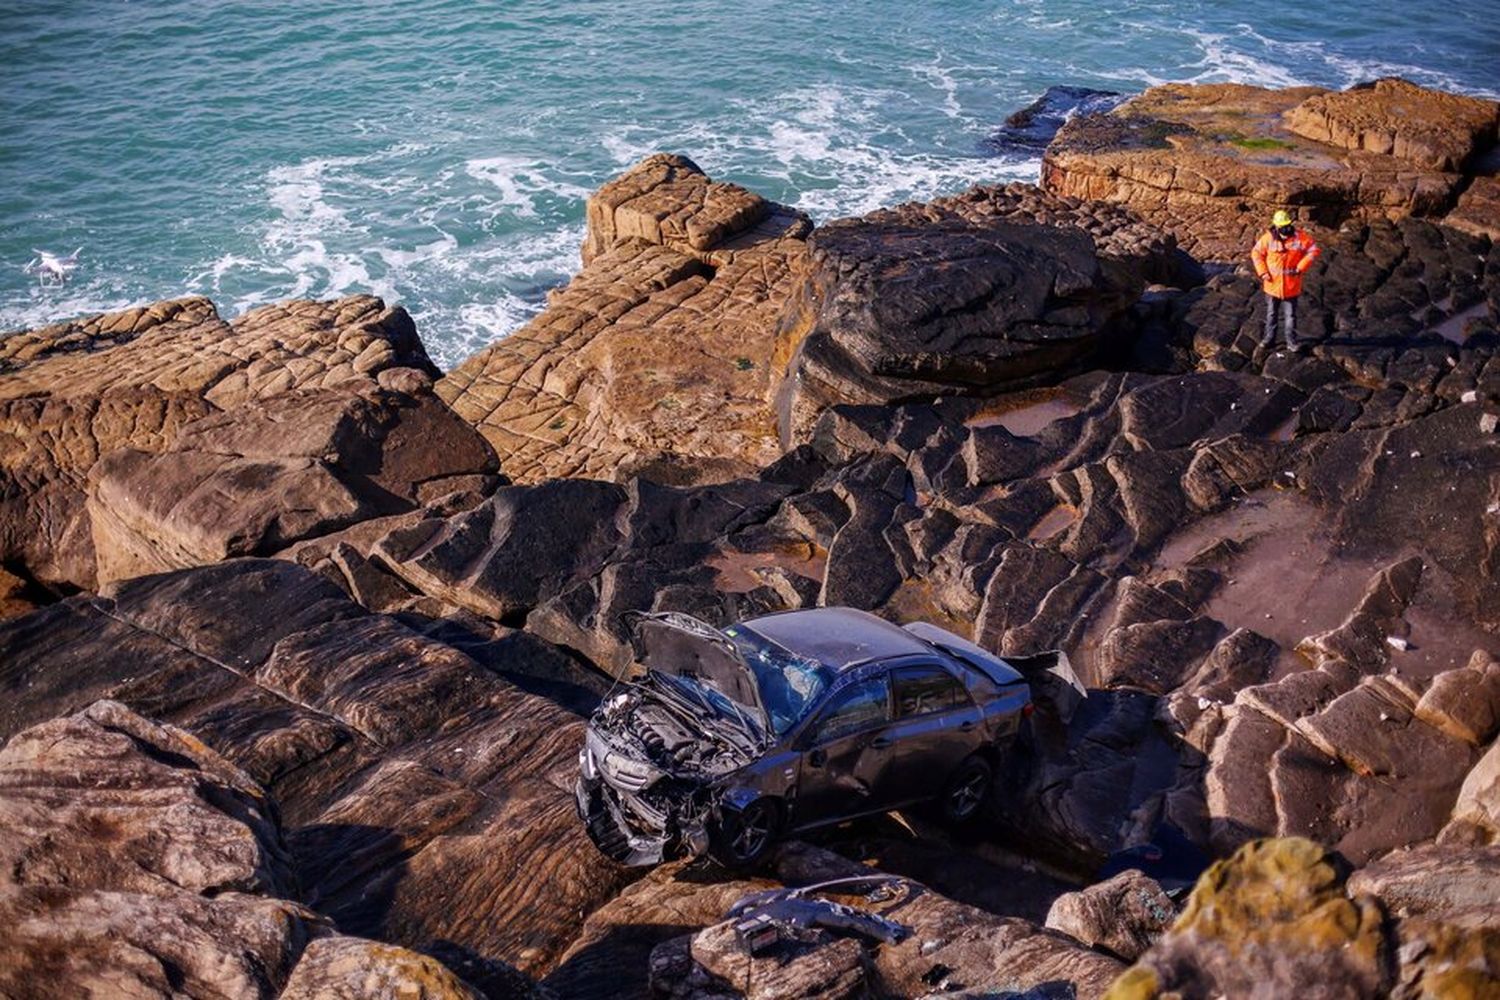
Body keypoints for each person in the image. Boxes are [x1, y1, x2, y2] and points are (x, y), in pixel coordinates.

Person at [1251, 210, 1320, 352]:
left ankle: (1291, 342)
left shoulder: (1299, 238)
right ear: (1276, 226)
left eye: (1288, 225)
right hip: (1272, 286)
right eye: (1283, 226)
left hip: (1291, 286)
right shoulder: (1268, 239)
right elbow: (1256, 253)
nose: (1286, 228)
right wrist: (1263, 272)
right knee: (1271, 314)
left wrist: (1301, 266)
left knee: (1291, 316)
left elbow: (1313, 250)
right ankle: (1269, 339)